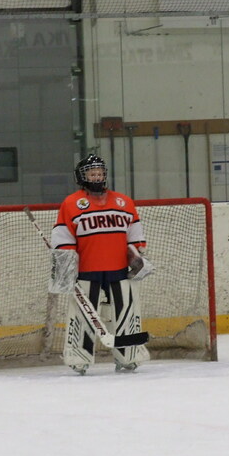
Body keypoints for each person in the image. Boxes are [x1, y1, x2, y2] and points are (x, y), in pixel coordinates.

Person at [50, 153, 153, 374]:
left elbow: (135, 235)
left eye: (99, 173)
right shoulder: (71, 203)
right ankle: (79, 357)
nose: (96, 177)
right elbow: (63, 238)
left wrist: (137, 257)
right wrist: (66, 266)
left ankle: (128, 356)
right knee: (83, 315)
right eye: (91, 173)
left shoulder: (124, 202)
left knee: (126, 314)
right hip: (87, 271)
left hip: (120, 270)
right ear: (82, 176)